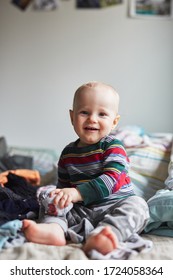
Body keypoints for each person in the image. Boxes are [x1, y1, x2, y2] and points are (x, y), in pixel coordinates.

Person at [22, 81, 149, 256]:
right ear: (72, 117)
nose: (92, 119)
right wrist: (61, 197)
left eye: (102, 114)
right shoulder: (68, 153)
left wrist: (77, 194)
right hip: (81, 211)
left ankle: (107, 234)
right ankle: (54, 229)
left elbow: (112, 179)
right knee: (50, 195)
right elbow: (64, 186)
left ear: (114, 122)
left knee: (138, 205)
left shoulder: (113, 146)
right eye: (84, 112)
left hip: (114, 206)